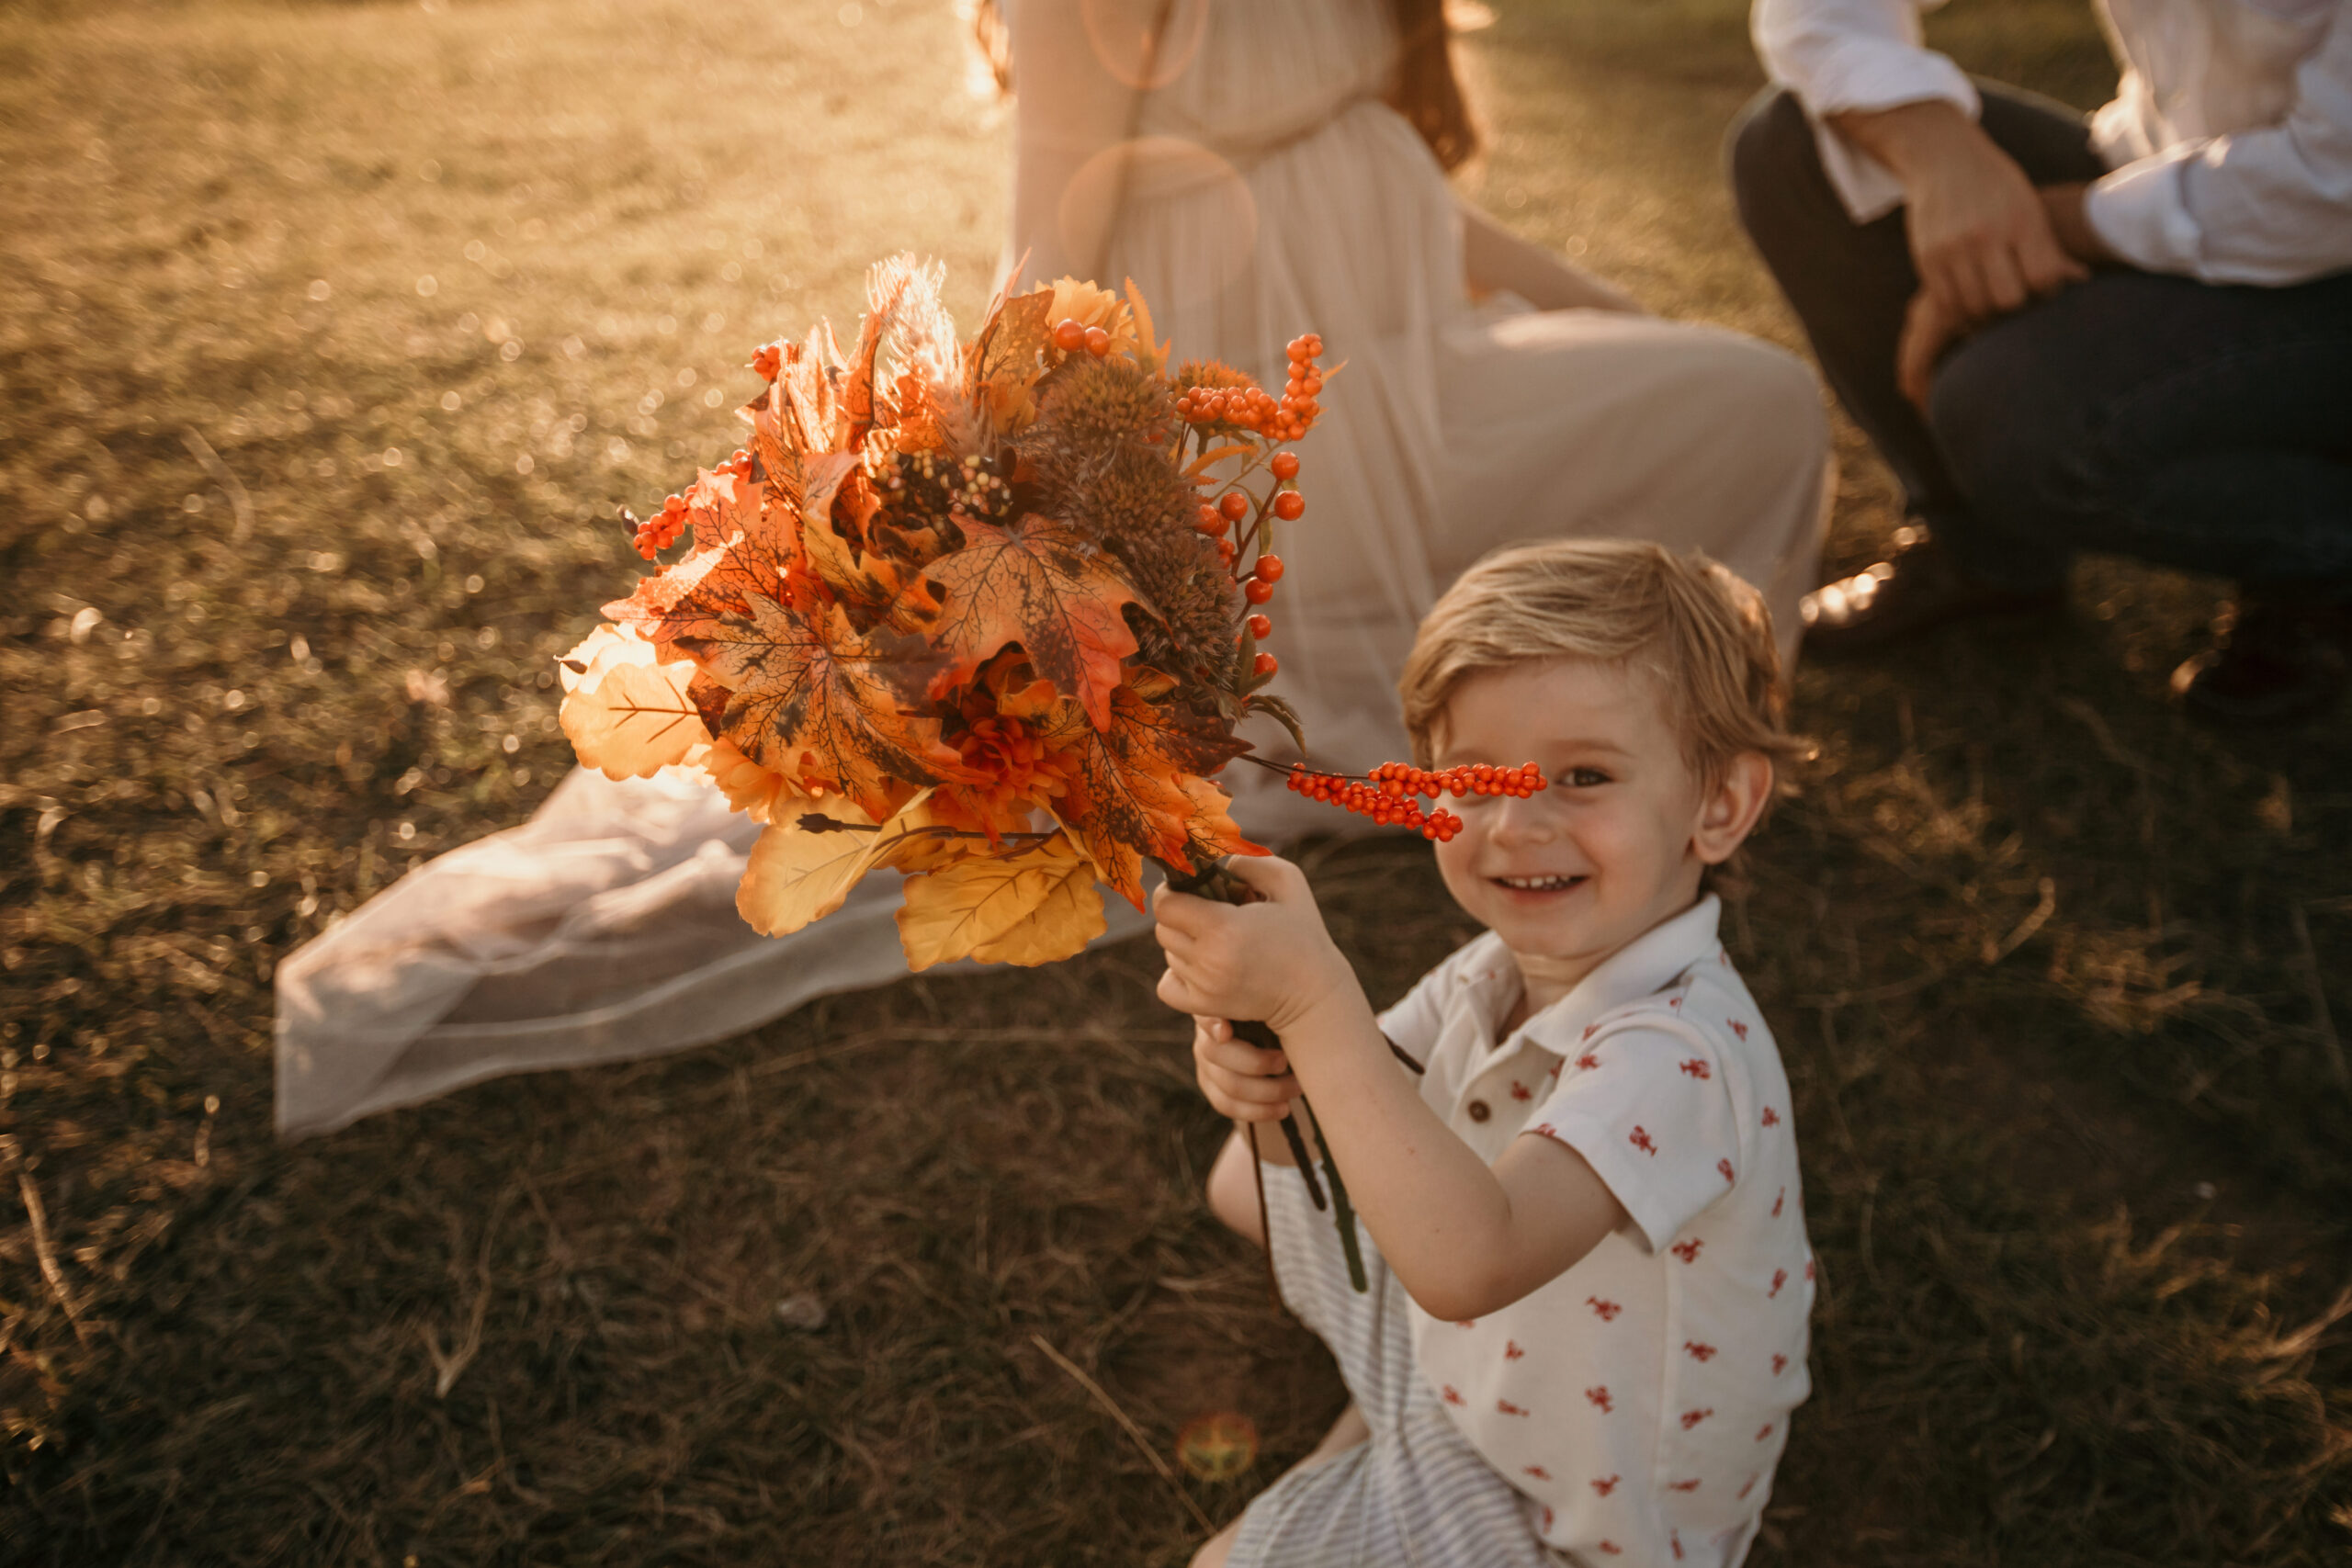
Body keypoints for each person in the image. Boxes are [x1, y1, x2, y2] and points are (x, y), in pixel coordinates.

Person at [273, 0, 1829, 1138]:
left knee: (1749, 402)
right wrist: (962, 480)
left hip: (1416, 366)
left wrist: (1620, 316)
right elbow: (1054, 220)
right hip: (1234, 429)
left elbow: (1411, 196)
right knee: (969, 762)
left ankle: (1657, 721)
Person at [1153, 540, 1815, 1568]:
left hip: (1569, 1520)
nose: (1514, 825)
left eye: (1582, 776)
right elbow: (1297, 1159)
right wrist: (1265, 1067)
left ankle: (1408, 1437)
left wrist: (1315, 999)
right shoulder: (1490, 973)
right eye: (1474, 779)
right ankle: (1411, 1421)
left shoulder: (1681, 1056)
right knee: (1243, 1181)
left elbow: (1471, 1264)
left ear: (1718, 805)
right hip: (1493, 1360)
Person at [1730, 0, 2352, 722]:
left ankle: (2324, 557)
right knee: (1793, 148)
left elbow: (2337, 183)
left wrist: (2053, 222)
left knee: (2012, 410)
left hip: (2332, 259)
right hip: (2162, 166)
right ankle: (1986, 553)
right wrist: (1942, 160)